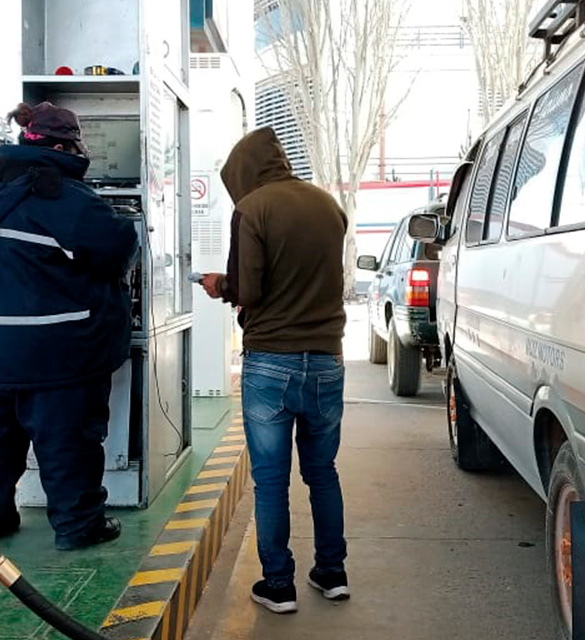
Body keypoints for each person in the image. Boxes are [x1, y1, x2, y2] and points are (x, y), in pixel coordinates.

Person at [0, 101, 138, 550]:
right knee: (67, 444)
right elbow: (118, 246)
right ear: (65, 146)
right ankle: (79, 527)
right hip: (58, 350)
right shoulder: (63, 196)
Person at [200, 127, 350, 613]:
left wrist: (218, 284)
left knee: (270, 479)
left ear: (244, 172)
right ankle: (332, 573)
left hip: (271, 363)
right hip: (327, 359)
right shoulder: (329, 205)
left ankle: (278, 585)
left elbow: (250, 289)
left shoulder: (253, 209)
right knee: (322, 472)